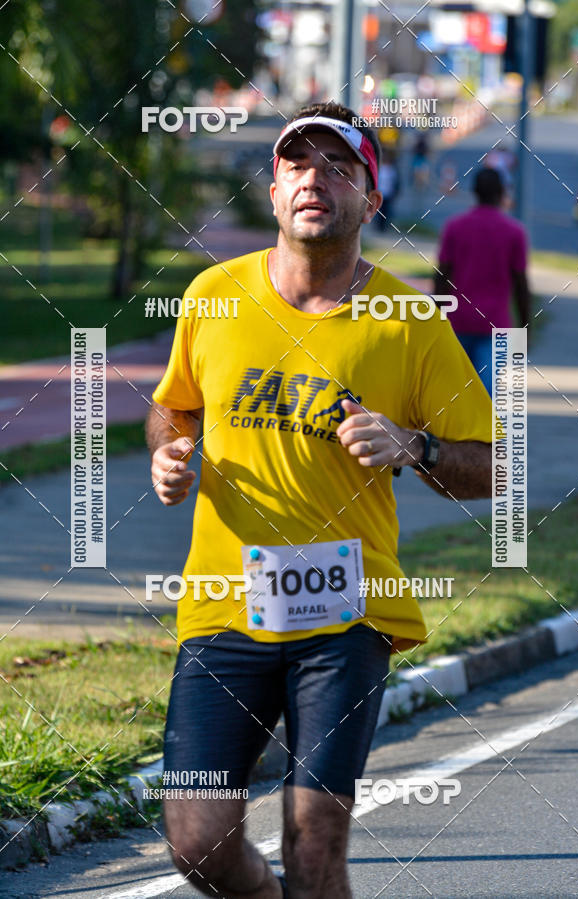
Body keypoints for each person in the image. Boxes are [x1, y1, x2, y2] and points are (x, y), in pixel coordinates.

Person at [147, 100, 494, 899]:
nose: (315, 180)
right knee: (197, 840)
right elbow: (176, 405)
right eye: (297, 165)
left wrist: (418, 447)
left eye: (339, 167)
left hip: (346, 618)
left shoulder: (408, 320)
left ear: (372, 200)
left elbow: (493, 467)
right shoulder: (212, 295)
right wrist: (170, 453)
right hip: (223, 610)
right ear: (273, 192)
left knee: (314, 844)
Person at [434, 168, 530, 395]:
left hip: (457, 322)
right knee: (486, 398)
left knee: (454, 394)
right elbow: (521, 284)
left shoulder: (455, 227)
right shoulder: (514, 232)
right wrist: (526, 326)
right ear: (502, 193)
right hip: (495, 325)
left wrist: (435, 317)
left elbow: (442, 276)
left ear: (474, 192)